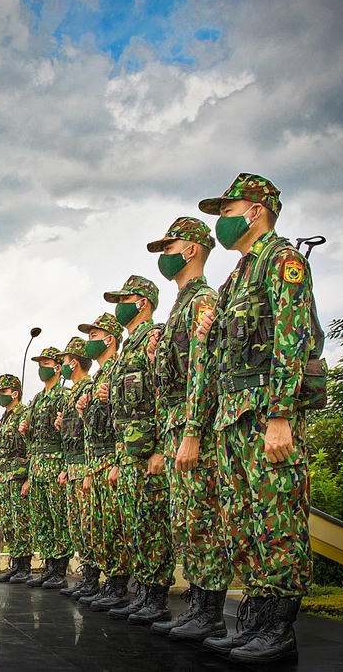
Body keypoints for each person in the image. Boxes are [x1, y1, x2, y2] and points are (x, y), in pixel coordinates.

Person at [197, 174, 324, 663]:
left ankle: (278, 627)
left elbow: (293, 339)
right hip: (233, 417)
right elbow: (225, 353)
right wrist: (208, 330)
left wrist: (280, 415)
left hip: (265, 412)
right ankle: (254, 618)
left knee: (278, 519)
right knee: (243, 522)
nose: (222, 222)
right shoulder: (236, 278)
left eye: (227, 212)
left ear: (254, 210)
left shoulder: (282, 261)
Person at [142, 217, 229, 640]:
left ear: (191, 249)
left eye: (169, 247)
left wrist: (193, 431)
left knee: (202, 519)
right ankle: (199, 606)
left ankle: (210, 611)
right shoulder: (179, 307)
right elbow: (167, 385)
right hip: (177, 427)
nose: (164, 256)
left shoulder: (202, 300)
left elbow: (202, 372)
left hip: (197, 429)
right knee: (186, 521)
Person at [97, 275, 172, 623]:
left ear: (142, 303)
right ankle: (142, 592)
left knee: (153, 527)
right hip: (128, 456)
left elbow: (165, 394)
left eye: (123, 300)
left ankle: (156, 596)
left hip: (149, 454)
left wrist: (161, 449)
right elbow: (121, 416)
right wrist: (117, 459)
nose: (119, 307)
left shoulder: (154, 339)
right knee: (134, 528)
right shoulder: (128, 350)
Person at [76, 313, 125, 606]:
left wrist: (118, 460)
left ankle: (119, 586)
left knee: (116, 527)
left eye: (93, 336)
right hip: (95, 462)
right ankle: (108, 582)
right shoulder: (97, 379)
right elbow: (95, 429)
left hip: (112, 459)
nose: (89, 341)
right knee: (99, 528)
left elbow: (127, 418)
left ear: (109, 339)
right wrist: (85, 412)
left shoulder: (119, 369)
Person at [19, 346, 70, 588]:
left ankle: (60, 569)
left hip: (55, 464)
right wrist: (26, 432)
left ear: (58, 368)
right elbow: (34, 441)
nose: (41, 369)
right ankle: (49, 566)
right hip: (37, 467)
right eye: (39, 365)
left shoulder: (63, 396)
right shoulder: (38, 399)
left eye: (45, 364)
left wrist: (65, 467)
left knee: (59, 518)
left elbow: (68, 435)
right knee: (42, 520)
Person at [55, 336, 96, 597]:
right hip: (72, 467)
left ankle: (93, 579)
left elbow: (93, 434)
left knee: (89, 526)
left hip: (85, 467)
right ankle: (87, 577)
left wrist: (89, 469)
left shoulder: (88, 389)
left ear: (75, 363)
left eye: (65, 361)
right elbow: (70, 437)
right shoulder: (71, 396)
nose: (62, 367)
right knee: (77, 527)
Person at [0, 374, 33, 583]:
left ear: (15, 393)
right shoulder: (2, 420)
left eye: (4, 391)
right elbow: (0, 451)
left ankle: (25, 566)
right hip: (4, 478)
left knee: (21, 521)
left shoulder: (24, 414)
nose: (0, 395)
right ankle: (15, 563)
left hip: (18, 477)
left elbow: (31, 447)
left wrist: (28, 479)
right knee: (8, 523)